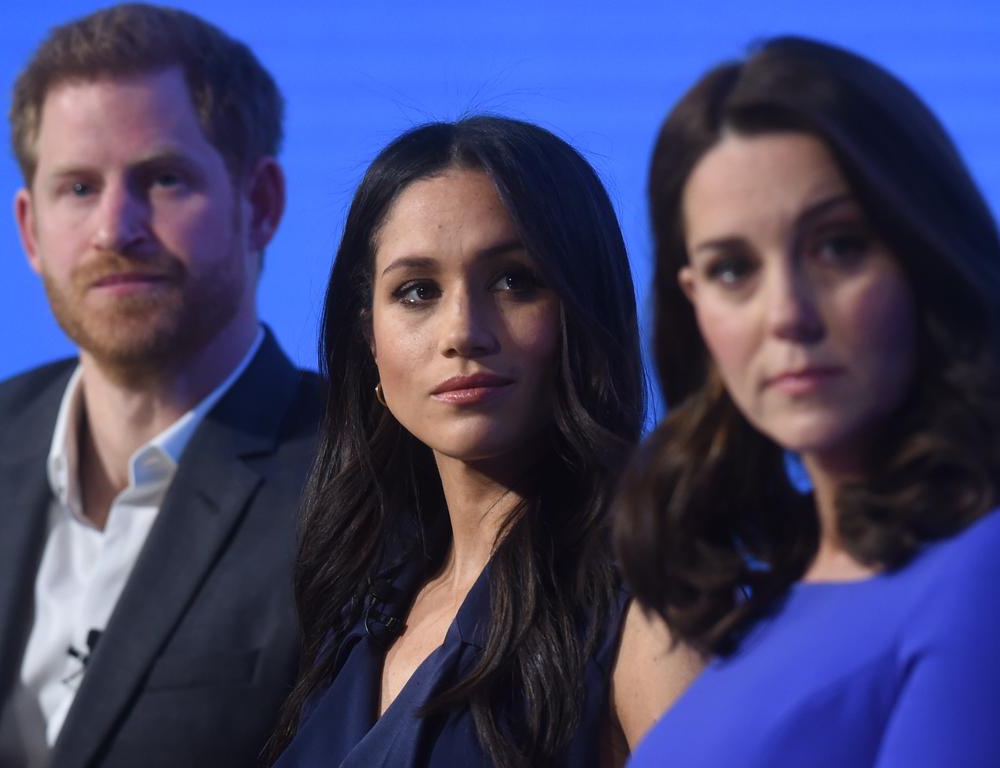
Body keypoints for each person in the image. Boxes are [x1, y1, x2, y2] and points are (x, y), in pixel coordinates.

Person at [263, 116, 699, 767]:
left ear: (585, 309)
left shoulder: (653, 599)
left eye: (514, 281)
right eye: (416, 292)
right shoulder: (359, 606)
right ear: (369, 340)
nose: (462, 331)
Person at [615, 36, 1000, 767]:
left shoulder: (981, 575)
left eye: (839, 247)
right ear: (691, 302)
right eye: (733, 270)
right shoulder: (758, 606)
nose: (786, 313)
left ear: (925, 255)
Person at [0, 5, 324, 767]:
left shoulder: (359, 480)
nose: (114, 228)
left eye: (162, 179)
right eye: (77, 188)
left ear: (259, 204)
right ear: (30, 231)